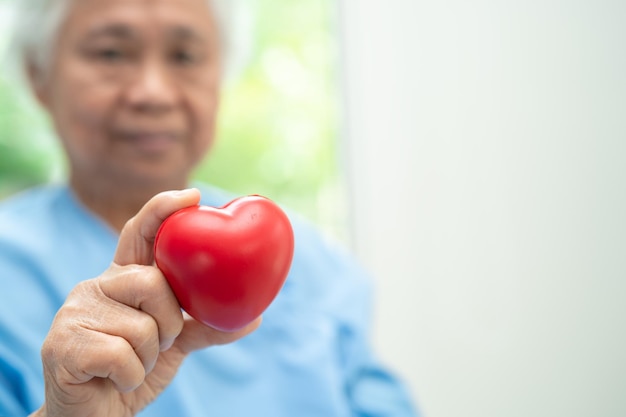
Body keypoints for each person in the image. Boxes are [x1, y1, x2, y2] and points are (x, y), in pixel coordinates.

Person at [0, 0, 419, 416]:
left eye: (185, 56)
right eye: (111, 53)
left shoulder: (314, 267)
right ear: (39, 75)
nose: (153, 92)